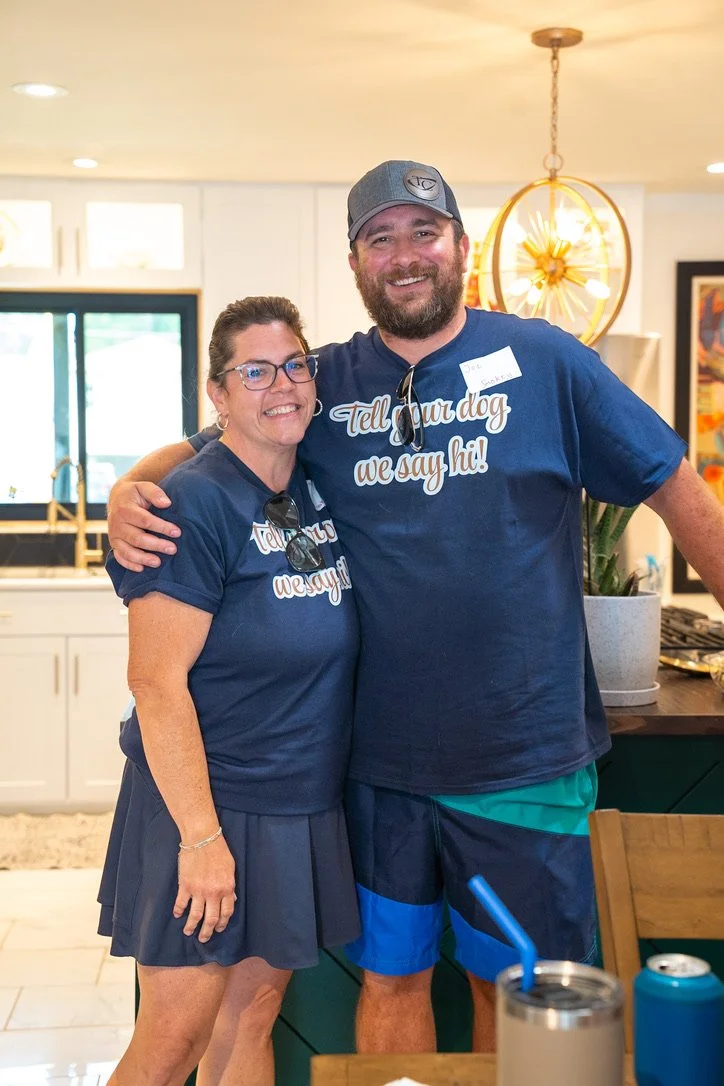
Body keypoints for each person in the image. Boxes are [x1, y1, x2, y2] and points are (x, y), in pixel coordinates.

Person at [107, 160, 724, 1056]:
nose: (404, 255)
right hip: (375, 767)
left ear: (460, 249)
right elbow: (210, 443)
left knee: (514, 991)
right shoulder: (317, 383)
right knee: (392, 979)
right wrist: (128, 486)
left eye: (423, 233)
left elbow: (680, 492)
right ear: (355, 263)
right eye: (379, 238)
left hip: (524, 756)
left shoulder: (550, 364)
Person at [99, 295, 359, 1086]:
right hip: (208, 805)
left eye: (293, 366)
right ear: (217, 393)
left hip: (294, 799)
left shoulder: (311, 482)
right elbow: (154, 680)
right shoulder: (193, 503)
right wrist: (202, 842)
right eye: (255, 370)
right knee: (175, 1035)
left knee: (253, 1016)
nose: (281, 385)